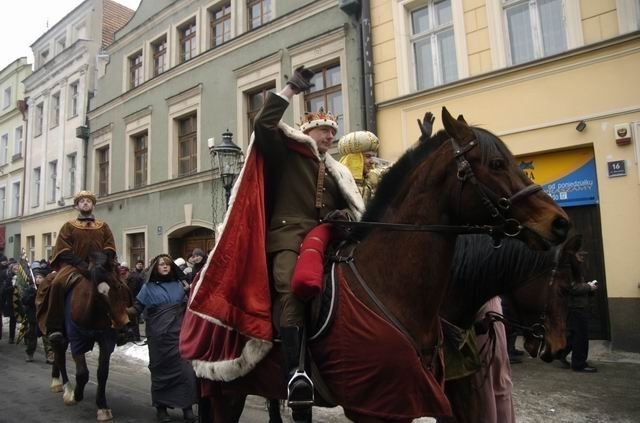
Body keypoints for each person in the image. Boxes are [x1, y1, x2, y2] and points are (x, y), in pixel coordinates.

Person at [252, 65, 364, 405]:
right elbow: (263, 124)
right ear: (307, 132)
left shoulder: (338, 171)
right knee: (290, 290)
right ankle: (295, 372)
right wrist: (290, 89)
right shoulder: (286, 153)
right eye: (323, 131)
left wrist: (343, 216)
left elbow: (351, 209)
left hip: (328, 242)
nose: (330, 136)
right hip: (288, 239)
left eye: (333, 131)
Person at [127, 254, 197, 423]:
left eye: (167, 264)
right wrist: (121, 313)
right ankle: (161, 408)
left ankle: (187, 408)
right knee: (161, 373)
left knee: (186, 373)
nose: (165, 266)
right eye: (161, 265)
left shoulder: (181, 285)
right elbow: (137, 309)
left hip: (179, 336)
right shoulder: (148, 288)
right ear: (155, 268)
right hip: (158, 339)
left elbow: (192, 306)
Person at [43, 191, 117, 345]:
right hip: (74, 266)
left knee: (119, 285)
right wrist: (81, 264)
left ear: (93, 205)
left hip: (99, 266)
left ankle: (123, 323)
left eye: (88, 201)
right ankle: (55, 326)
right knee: (57, 284)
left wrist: (102, 261)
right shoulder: (68, 226)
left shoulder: (103, 226)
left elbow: (109, 245)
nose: (85, 203)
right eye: (82, 201)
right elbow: (63, 249)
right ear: (77, 206)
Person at [559, 250, 598, 373]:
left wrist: (589, 287)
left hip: (577, 306)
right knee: (580, 336)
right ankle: (579, 364)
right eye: (580, 255)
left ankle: (559, 353)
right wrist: (588, 287)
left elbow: (577, 285)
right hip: (575, 307)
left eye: (583, 255)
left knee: (574, 335)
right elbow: (572, 287)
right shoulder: (568, 269)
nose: (582, 258)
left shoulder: (575, 267)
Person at [338, 130, 387, 203]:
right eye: (368, 156)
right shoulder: (340, 181)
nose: (372, 161)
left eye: (373, 157)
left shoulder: (370, 179)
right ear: (354, 159)